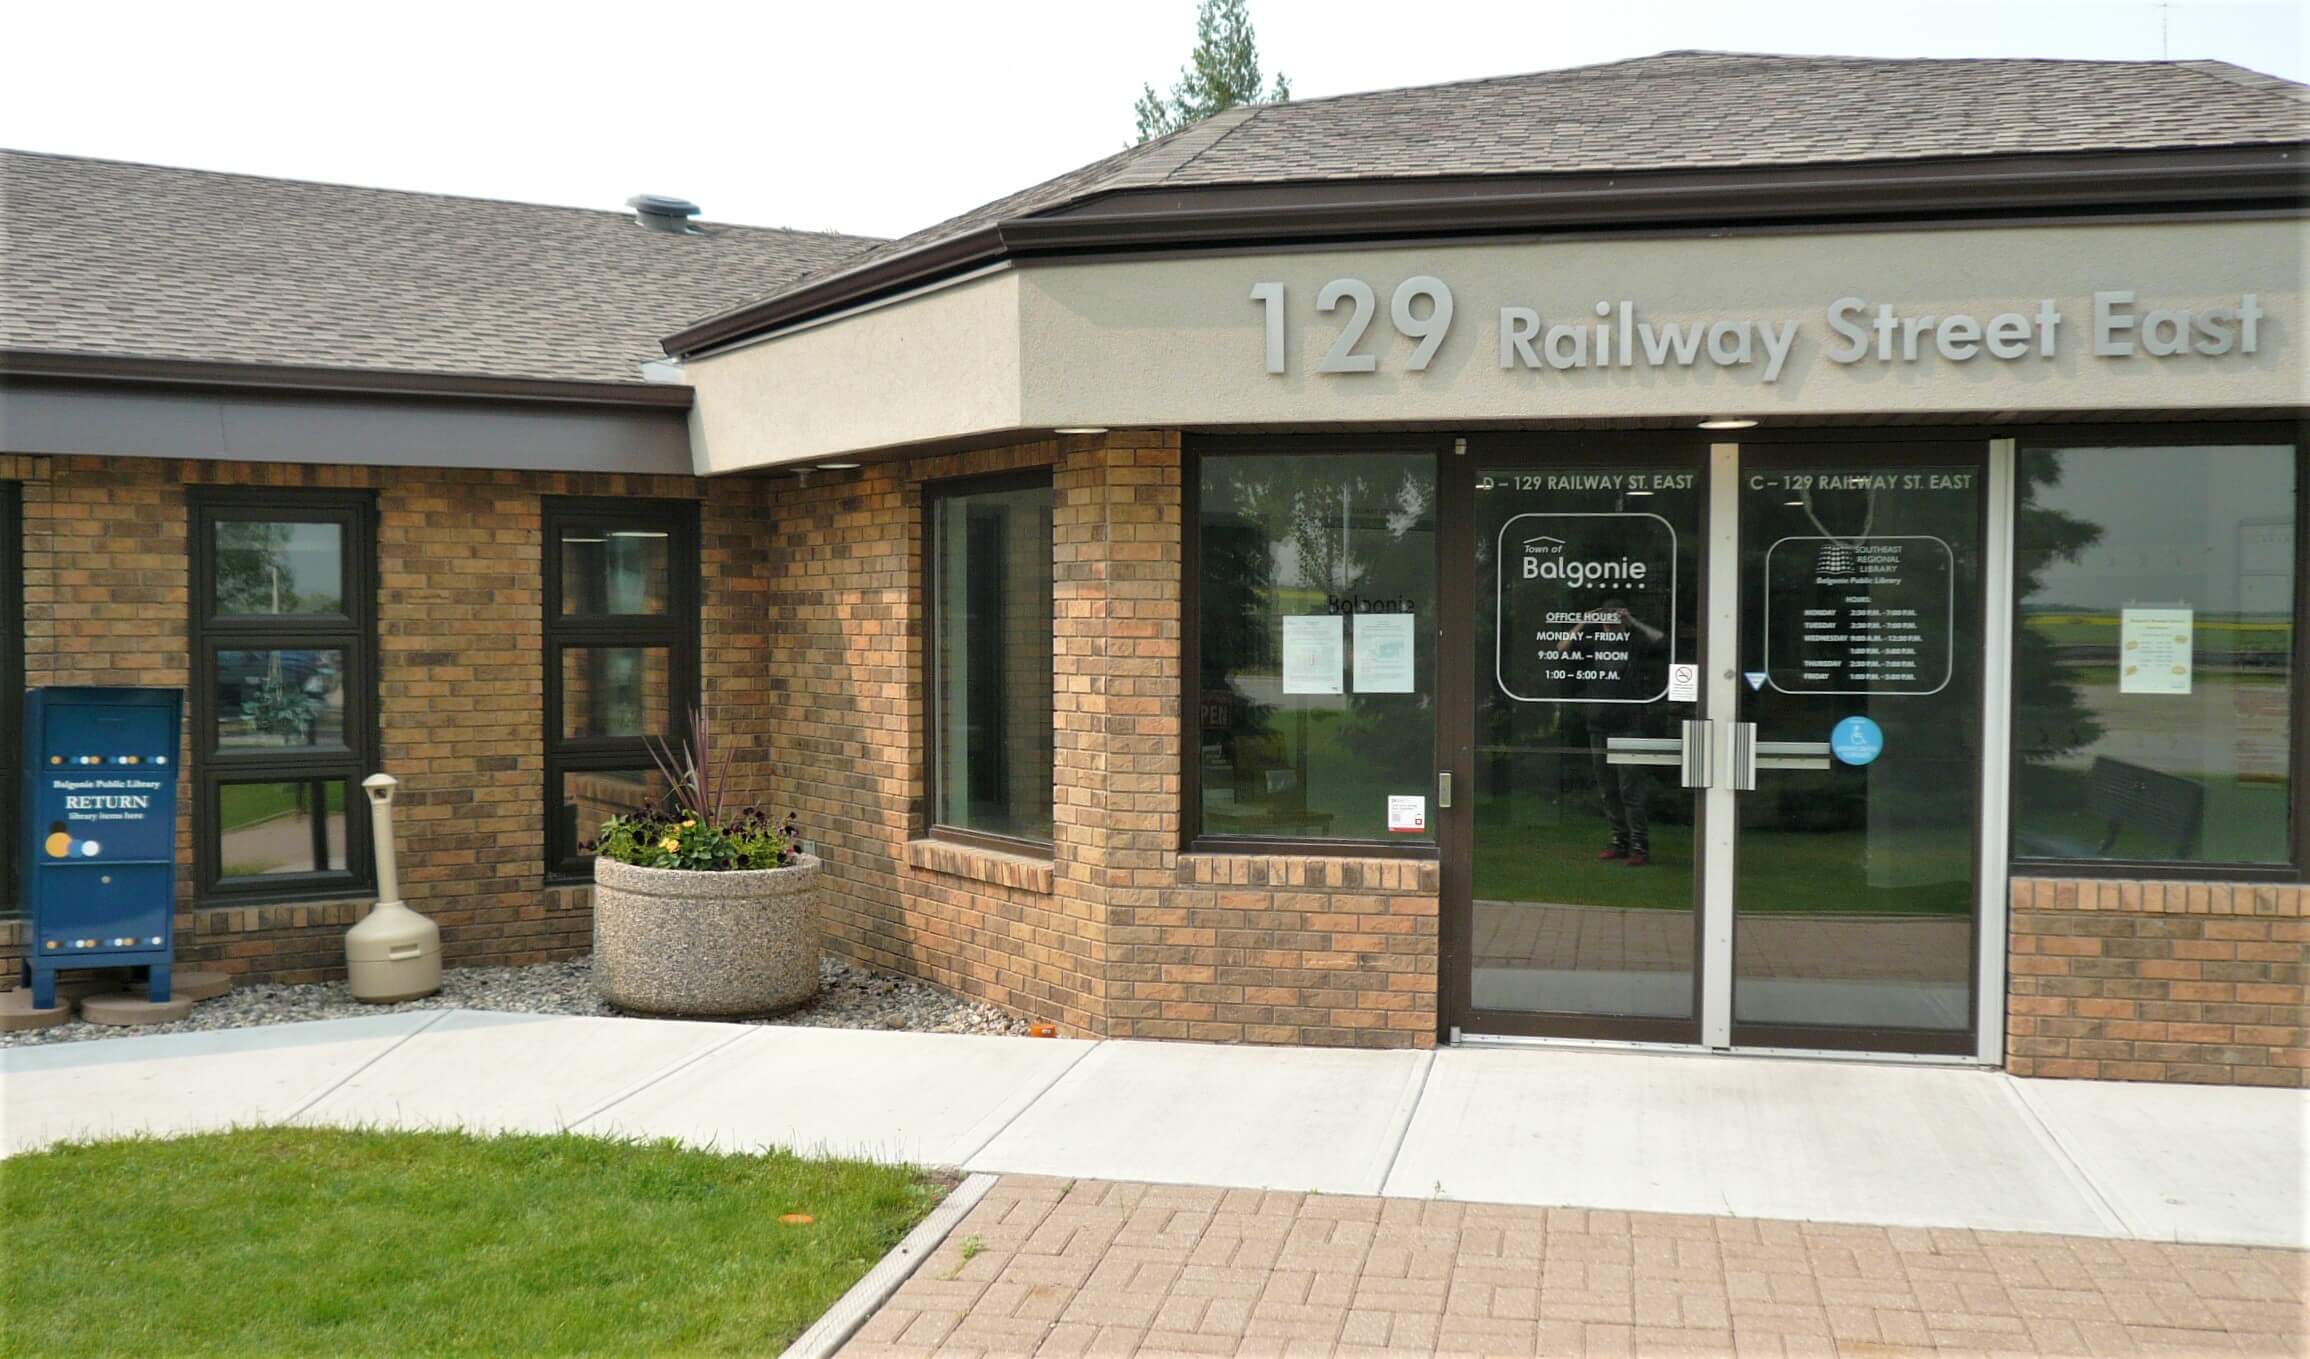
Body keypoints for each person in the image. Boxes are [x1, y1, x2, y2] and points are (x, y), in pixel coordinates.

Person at [1571, 599, 1667, 867]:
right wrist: (1584, 620)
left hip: (1629, 726)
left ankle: (1640, 847)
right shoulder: (1594, 643)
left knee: (1630, 789)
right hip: (1598, 725)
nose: (1610, 620)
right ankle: (1619, 841)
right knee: (1608, 790)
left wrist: (1632, 621)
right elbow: (1562, 647)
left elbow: (1661, 641)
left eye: (1615, 615)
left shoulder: (1633, 642)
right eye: (1607, 616)